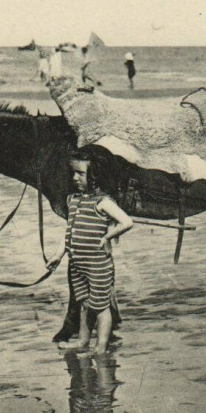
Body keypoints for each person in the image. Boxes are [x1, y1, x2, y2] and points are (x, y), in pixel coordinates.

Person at [47, 150, 133, 355]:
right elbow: (69, 232)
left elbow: (127, 222)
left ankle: (101, 347)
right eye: (73, 173)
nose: (75, 178)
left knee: (101, 307)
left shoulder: (102, 202)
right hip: (78, 264)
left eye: (80, 173)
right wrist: (59, 255)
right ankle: (83, 341)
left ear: (94, 176)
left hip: (97, 265)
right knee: (84, 303)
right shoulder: (73, 200)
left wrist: (107, 237)